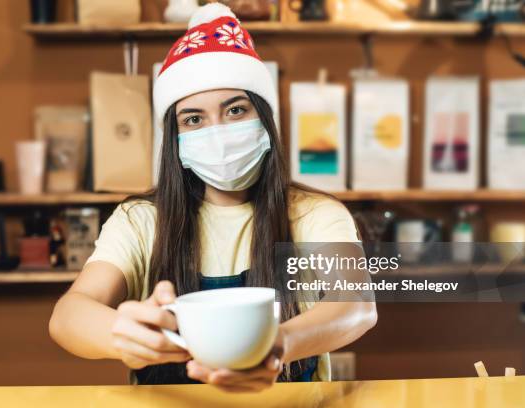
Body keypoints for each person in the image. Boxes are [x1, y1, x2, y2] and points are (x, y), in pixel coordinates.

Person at [49, 3, 377, 393]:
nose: (217, 132)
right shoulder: (139, 220)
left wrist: (276, 345)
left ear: (265, 122)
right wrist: (124, 332)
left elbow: (356, 305)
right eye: (194, 119)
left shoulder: (314, 213)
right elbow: (67, 316)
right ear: (176, 139)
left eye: (236, 110)